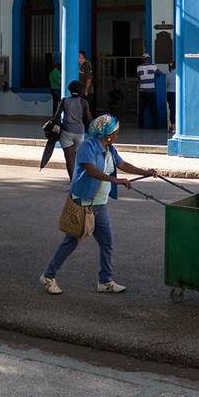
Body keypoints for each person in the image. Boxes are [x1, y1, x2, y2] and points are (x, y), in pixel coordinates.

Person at [40, 114, 158, 295]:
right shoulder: (88, 146)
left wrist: (146, 172)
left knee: (107, 242)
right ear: (107, 133)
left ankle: (105, 281)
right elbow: (91, 170)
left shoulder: (110, 148)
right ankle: (48, 276)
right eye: (116, 132)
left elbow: (123, 164)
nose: (117, 135)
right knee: (71, 241)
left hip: (100, 204)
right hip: (84, 202)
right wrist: (115, 181)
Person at [56, 80, 92, 180]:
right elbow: (88, 118)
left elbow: (57, 116)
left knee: (69, 159)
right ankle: (79, 179)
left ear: (70, 90)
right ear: (81, 91)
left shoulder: (64, 101)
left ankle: (73, 181)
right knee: (78, 158)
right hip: (79, 133)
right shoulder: (83, 102)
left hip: (66, 132)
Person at [136, 54, 159, 129]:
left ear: (143, 59)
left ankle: (140, 125)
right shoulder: (153, 66)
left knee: (141, 109)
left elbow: (139, 79)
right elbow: (159, 73)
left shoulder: (139, 67)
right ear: (148, 58)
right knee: (153, 109)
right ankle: (155, 125)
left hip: (142, 90)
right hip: (151, 90)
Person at [166, 62, 176, 133]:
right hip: (177, 93)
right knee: (176, 110)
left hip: (170, 93)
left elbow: (166, 85)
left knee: (171, 110)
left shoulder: (168, 75)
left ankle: (172, 127)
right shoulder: (180, 74)